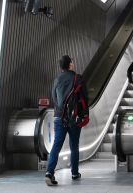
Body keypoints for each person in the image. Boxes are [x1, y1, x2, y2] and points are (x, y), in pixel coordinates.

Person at [44, 55, 88, 186]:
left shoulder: (57, 80)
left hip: (59, 117)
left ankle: (49, 172)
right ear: (70, 64)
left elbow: (55, 98)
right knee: (74, 145)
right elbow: (84, 97)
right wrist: (84, 114)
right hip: (74, 117)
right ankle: (75, 173)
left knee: (56, 145)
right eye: (72, 62)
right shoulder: (78, 78)